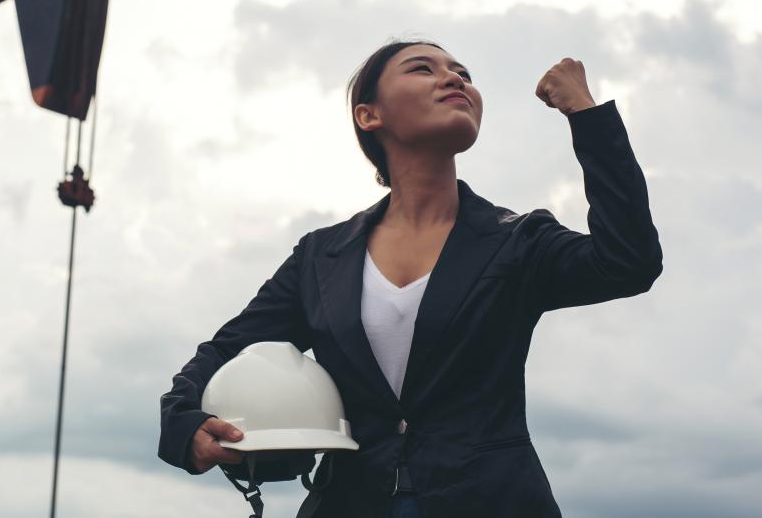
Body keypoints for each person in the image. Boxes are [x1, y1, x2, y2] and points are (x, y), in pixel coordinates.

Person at [157, 39, 664, 518]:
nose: (454, 79)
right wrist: (182, 422)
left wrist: (587, 115)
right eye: (424, 69)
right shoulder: (320, 257)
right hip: (350, 502)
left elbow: (628, 261)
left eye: (464, 74)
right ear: (368, 114)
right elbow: (228, 350)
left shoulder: (519, 240)